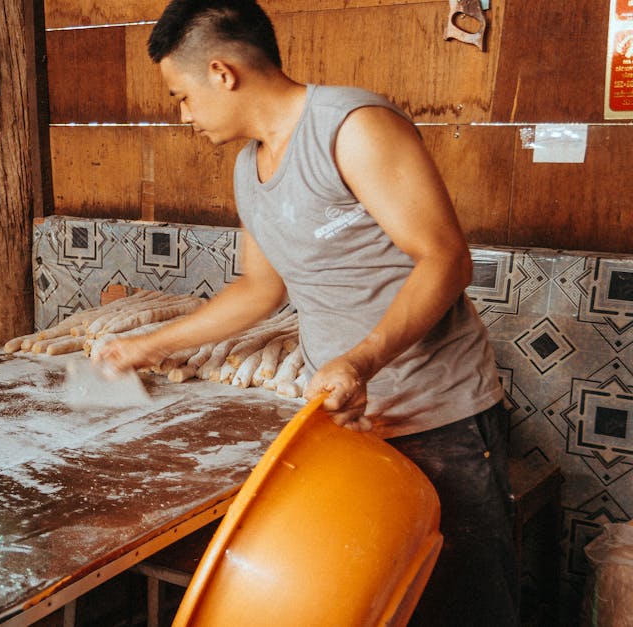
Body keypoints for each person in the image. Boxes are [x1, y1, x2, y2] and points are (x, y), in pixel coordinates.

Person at [94, 1, 517, 624]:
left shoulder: (351, 126)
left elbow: (446, 260)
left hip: (440, 416)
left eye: (182, 95)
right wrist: (148, 345)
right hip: (350, 424)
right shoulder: (249, 166)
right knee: (383, 602)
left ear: (222, 72)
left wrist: (360, 360)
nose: (183, 115)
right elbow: (259, 290)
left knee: (468, 606)